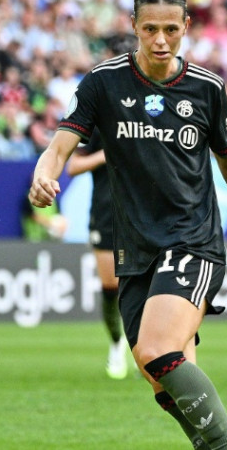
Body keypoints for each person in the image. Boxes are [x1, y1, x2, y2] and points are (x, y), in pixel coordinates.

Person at [29, 0, 227, 450]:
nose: (160, 40)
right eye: (150, 29)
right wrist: (46, 174)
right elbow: (60, 143)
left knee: (155, 350)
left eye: (170, 29)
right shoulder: (103, 83)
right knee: (159, 377)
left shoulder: (206, 88)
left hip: (192, 242)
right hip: (135, 248)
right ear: (133, 28)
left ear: (186, 27)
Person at [66, 129, 130, 379]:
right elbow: (73, 166)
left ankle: (144, 348)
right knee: (110, 286)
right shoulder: (101, 127)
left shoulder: (148, 119)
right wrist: (106, 155)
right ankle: (116, 343)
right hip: (105, 216)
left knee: (145, 286)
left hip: (143, 217)